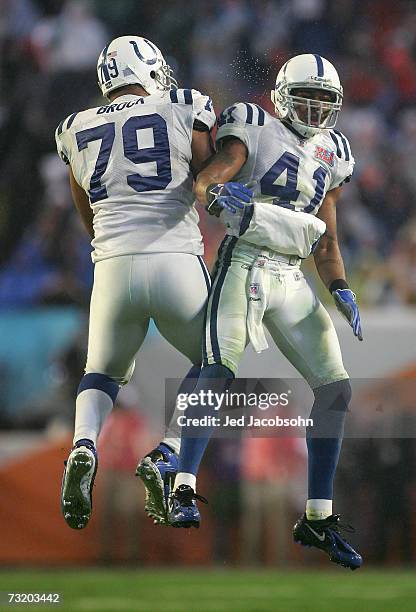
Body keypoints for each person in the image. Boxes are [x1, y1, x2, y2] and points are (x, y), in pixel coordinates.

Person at [167, 54, 363, 570]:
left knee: (336, 388)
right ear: (281, 96)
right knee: (218, 369)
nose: (318, 110)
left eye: (327, 101)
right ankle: (181, 485)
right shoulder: (254, 126)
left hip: (293, 275)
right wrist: (214, 192)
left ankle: (318, 517)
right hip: (247, 259)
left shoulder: (332, 152)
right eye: (309, 98)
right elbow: (210, 178)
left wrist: (341, 287)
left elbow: (326, 242)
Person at [56, 36, 216, 530]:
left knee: (100, 372)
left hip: (111, 265)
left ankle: (83, 444)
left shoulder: (75, 128)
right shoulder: (184, 105)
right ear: (148, 69)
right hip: (174, 258)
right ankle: (168, 450)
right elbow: (209, 175)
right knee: (218, 362)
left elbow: (86, 209)